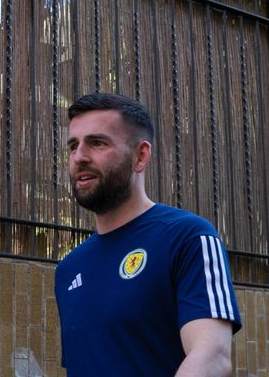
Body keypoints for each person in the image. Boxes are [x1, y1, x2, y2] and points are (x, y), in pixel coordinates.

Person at [55, 93, 241, 376]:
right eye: (73, 146)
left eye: (97, 143)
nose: (79, 157)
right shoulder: (68, 270)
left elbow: (212, 356)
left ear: (140, 155)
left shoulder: (187, 238)